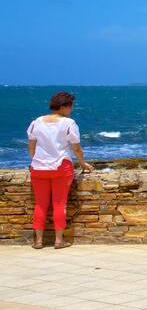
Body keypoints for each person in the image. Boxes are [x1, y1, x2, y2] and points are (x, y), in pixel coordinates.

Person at [26, 92, 94, 249]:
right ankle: (58, 241)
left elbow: (31, 147)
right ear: (63, 106)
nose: (71, 109)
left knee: (40, 205)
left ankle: (38, 241)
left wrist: (36, 160)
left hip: (38, 168)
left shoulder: (36, 122)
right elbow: (76, 148)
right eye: (70, 106)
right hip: (61, 168)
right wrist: (83, 163)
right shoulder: (69, 124)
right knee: (59, 204)